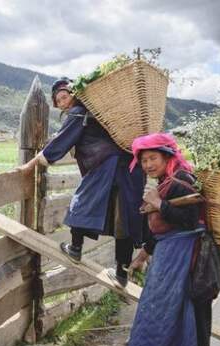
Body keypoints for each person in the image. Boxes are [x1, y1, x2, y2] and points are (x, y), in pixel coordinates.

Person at [18, 77, 145, 285]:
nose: (62, 102)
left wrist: (30, 165)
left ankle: (75, 249)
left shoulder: (78, 113)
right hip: (128, 168)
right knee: (123, 218)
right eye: (58, 100)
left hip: (106, 165)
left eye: (64, 96)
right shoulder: (97, 113)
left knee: (82, 202)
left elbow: (59, 143)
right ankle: (121, 273)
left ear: (74, 95)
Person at [125, 133, 212, 346]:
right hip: (169, 258)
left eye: (153, 158)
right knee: (169, 316)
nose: (148, 165)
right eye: (143, 161)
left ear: (167, 157)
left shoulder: (182, 180)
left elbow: (189, 220)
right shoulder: (166, 181)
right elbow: (162, 230)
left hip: (188, 260)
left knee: (192, 321)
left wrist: (158, 204)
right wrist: (143, 254)